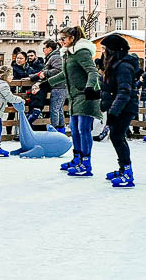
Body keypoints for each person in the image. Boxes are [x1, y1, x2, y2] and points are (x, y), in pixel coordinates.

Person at [35, 26, 101, 177]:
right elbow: (65, 74)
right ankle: (77, 158)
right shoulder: (68, 54)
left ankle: (86, 163)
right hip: (74, 96)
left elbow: (92, 71)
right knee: (74, 128)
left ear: (72, 38)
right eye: (60, 39)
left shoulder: (81, 52)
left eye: (63, 39)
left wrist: (90, 87)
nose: (61, 42)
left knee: (83, 129)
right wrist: (46, 83)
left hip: (86, 96)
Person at [98, 34, 141, 188]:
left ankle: (127, 171)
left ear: (113, 50)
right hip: (119, 106)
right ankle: (123, 168)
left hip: (125, 107)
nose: (103, 53)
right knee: (117, 137)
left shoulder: (124, 67)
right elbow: (111, 89)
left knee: (117, 137)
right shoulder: (116, 65)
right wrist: (95, 94)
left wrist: (114, 113)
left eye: (104, 50)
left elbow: (124, 91)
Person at [40, 39, 66, 133]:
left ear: (49, 49)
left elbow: (59, 70)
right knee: (58, 109)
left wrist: (45, 73)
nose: (43, 50)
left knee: (54, 109)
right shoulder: (55, 56)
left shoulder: (55, 57)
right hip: (60, 86)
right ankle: (61, 131)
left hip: (58, 86)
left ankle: (55, 131)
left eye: (44, 48)